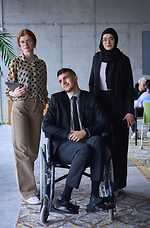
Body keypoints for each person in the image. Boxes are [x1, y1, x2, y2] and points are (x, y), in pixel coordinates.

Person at [42, 68, 110, 214]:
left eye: (66, 78)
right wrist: (69, 135)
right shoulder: (57, 99)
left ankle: (94, 197)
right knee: (84, 149)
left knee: (97, 141)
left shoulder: (90, 98)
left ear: (75, 77)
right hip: (63, 145)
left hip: (87, 139)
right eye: (60, 81)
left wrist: (85, 132)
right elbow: (46, 125)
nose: (63, 82)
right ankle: (65, 198)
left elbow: (105, 123)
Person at [89, 27, 135, 195]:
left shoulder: (123, 60)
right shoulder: (96, 58)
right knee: (102, 144)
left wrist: (130, 111)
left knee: (119, 145)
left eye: (111, 39)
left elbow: (129, 88)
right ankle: (104, 182)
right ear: (101, 42)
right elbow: (92, 82)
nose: (107, 42)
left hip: (119, 105)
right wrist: (92, 106)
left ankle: (118, 184)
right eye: (104, 39)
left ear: (116, 41)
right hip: (100, 103)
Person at [6, 29, 49, 205]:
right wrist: (14, 92)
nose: (25, 44)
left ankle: (29, 184)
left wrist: (48, 102)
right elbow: (8, 90)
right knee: (22, 148)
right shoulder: (15, 62)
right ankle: (28, 191)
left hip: (37, 107)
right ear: (19, 45)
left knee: (32, 150)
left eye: (28, 41)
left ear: (34, 42)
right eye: (22, 42)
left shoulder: (42, 64)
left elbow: (44, 88)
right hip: (20, 106)